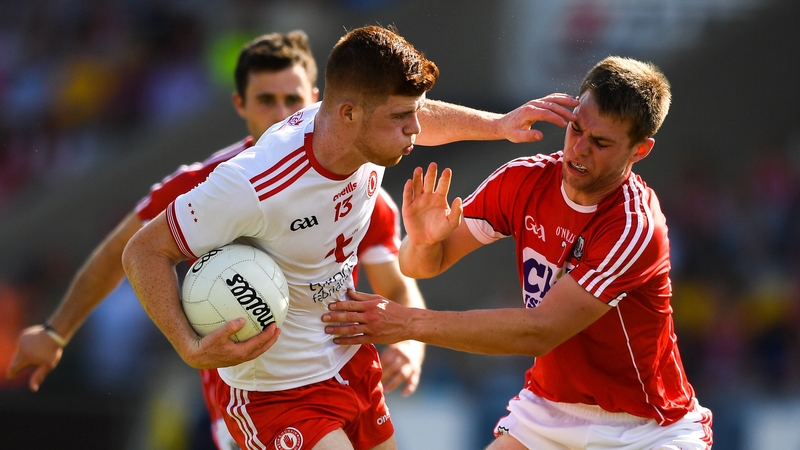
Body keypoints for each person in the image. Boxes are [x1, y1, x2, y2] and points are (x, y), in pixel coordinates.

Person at [121, 25, 579, 450]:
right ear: (347, 113)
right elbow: (143, 250)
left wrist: (498, 126)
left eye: (413, 114)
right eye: (402, 117)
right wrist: (189, 346)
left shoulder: (366, 135)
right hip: (276, 393)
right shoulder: (253, 184)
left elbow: (419, 117)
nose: (415, 130)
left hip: (349, 364)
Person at [5, 30, 425, 450]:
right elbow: (125, 252)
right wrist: (56, 333)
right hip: (249, 394)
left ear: (318, 99)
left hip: (336, 378)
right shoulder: (205, 183)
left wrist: (409, 344)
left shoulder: (354, 183)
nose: (281, 112)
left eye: (293, 99)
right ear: (240, 105)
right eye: (265, 100)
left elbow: (393, 282)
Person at [322, 56, 714, 449]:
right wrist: (423, 240)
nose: (579, 148)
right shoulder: (524, 180)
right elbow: (421, 266)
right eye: (576, 128)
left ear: (640, 150)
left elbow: (539, 331)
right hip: (547, 410)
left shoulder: (634, 226)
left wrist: (407, 324)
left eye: (601, 142)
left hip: (643, 428)